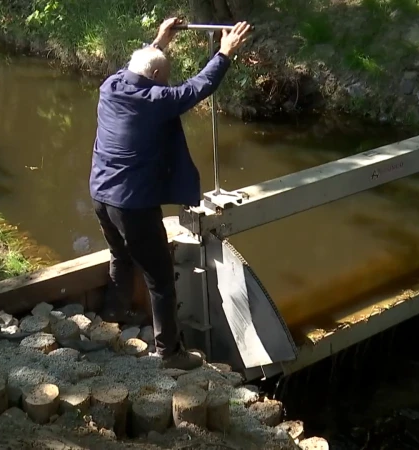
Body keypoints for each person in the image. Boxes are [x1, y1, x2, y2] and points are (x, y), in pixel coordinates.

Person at [89, 18, 253, 370]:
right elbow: (198, 87)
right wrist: (224, 53)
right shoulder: (155, 100)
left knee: (120, 256)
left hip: (101, 194)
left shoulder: (111, 85)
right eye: (164, 77)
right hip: (133, 204)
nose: (168, 83)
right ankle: (169, 353)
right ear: (157, 80)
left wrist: (160, 41)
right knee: (161, 280)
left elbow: (142, 65)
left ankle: (112, 316)